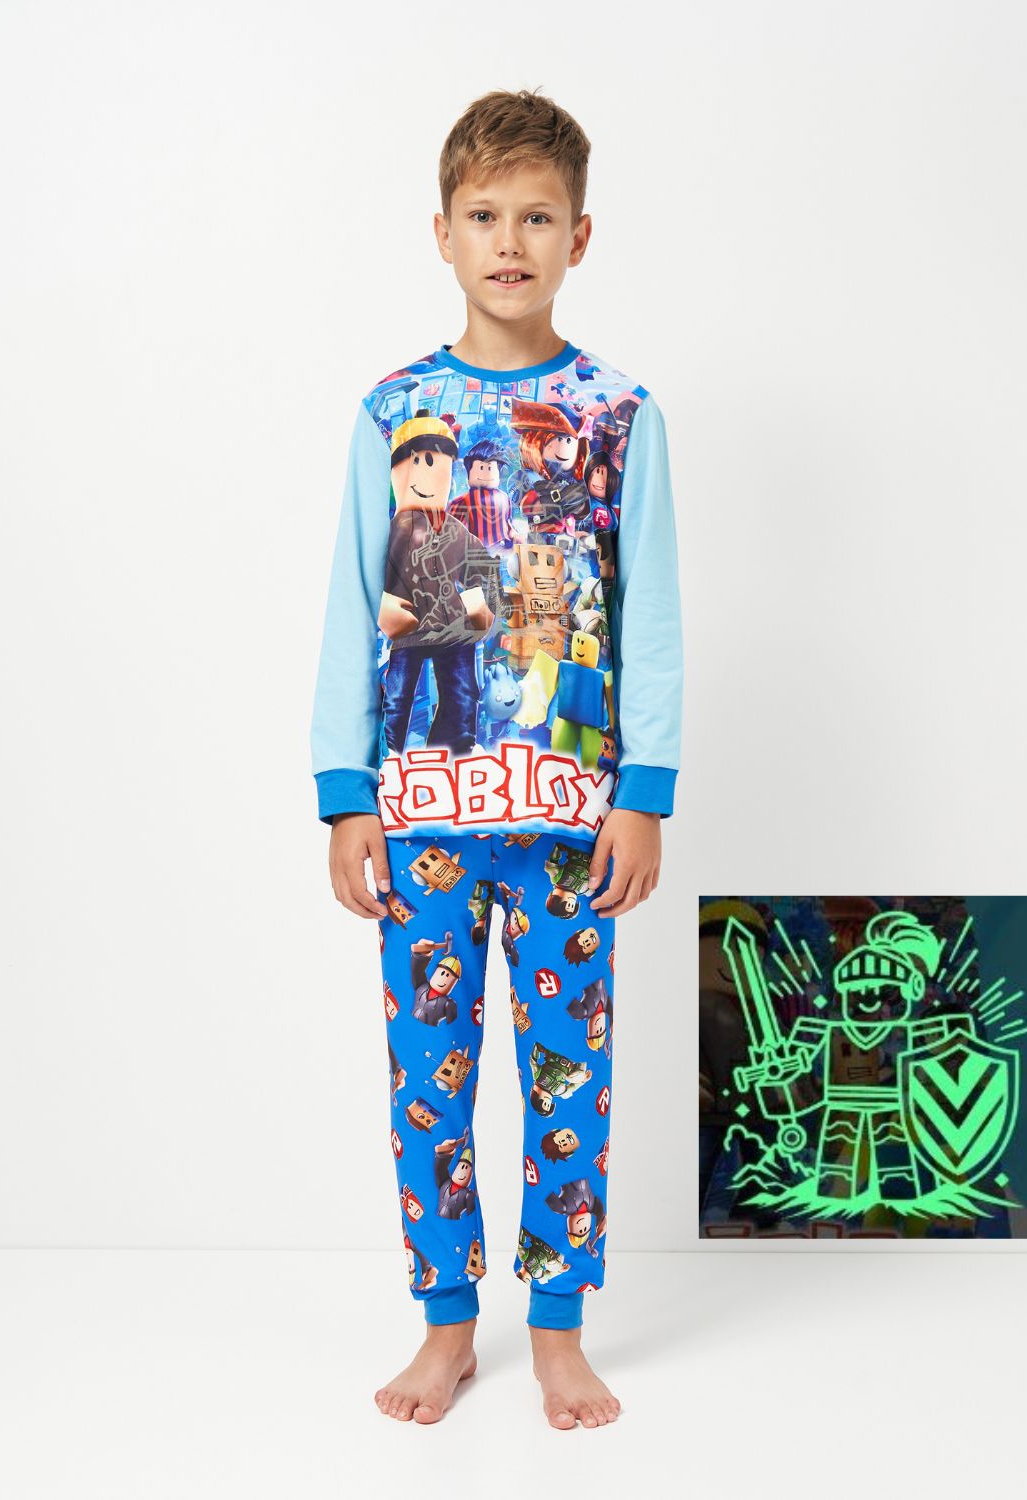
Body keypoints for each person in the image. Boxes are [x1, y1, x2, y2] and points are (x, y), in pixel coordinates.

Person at [310, 87, 683, 1429]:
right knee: (431, 1080)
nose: (509, 241)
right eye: (483, 216)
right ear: (443, 233)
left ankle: (561, 1327)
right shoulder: (392, 409)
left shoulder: (618, 413)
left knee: (565, 1075)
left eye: (536, 217)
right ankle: (448, 1324)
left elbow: (650, 615)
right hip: (421, 813)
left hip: (570, 819)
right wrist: (344, 792)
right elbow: (352, 605)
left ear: (579, 236)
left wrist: (644, 792)